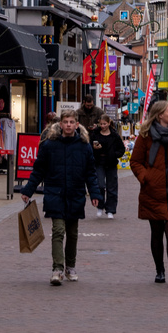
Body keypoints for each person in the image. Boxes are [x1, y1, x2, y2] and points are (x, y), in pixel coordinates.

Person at [21, 111, 101, 285]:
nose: (69, 125)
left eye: (72, 122)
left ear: (77, 124)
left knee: (72, 233)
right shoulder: (49, 145)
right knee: (58, 231)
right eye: (66, 122)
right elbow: (38, 169)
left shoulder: (84, 145)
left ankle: (70, 266)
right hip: (55, 194)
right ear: (61, 124)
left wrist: (94, 194)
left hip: (75, 194)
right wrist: (28, 190)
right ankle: (57, 268)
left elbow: (90, 173)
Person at [130, 100, 168, 286]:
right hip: (153, 192)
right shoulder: (145, 136)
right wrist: (145, 177)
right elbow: (136, 162)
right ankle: (160, 270)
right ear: (160, 115)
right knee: (156, 232)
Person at [89, 113, 126, 218]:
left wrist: (114, 155)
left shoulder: (114, 135)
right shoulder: (95, 134)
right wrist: (94, 149)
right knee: (100, 185)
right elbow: (89, 147)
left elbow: (121, 149)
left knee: (112, 187)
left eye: (105, 124)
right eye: (101, 124)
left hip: (111, 163)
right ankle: (100, 206)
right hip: (99, 162)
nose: (103, 126)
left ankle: (111, 209)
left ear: (109, 123)